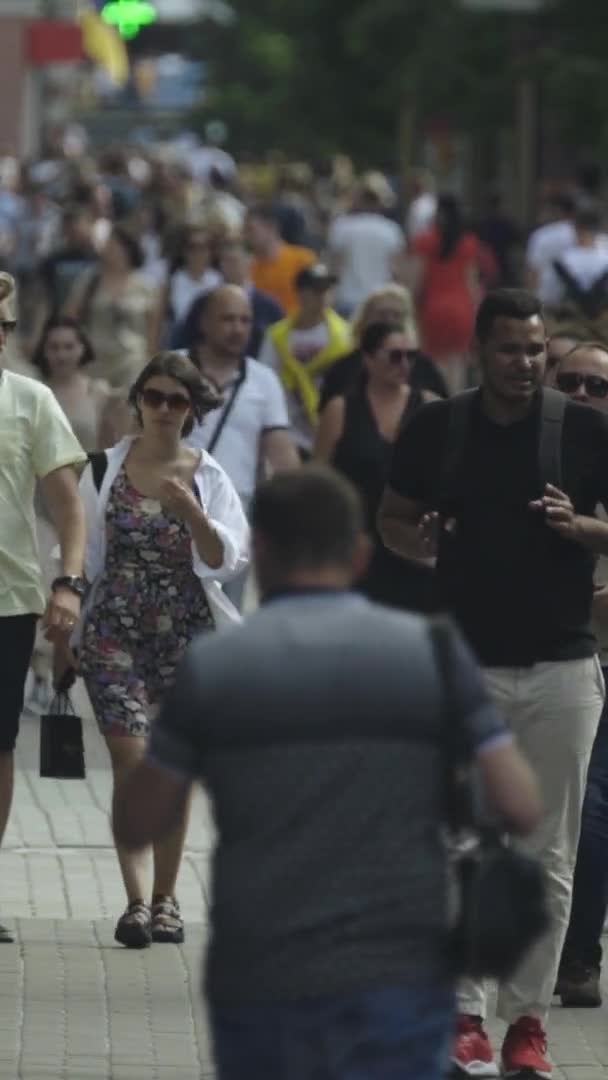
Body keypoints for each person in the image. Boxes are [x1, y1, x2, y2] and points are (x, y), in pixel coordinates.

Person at [114, 466, 541, 1080]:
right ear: (361, 554)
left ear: (259, 552)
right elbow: (521, 805)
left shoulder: (217, 664)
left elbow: (139, 821)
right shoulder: (435, 651)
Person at [378, 288, 608, 1078]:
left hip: (562, 668)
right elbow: (393, 516)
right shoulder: (441, 427)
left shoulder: (584, 430)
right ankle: (465, 1015)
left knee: (548, 853)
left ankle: (528, 1025)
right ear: (481, 350)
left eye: (538, 349)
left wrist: (583, 528)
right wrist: (425, 546)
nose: (527, 363)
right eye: (511, 349)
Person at [68, 351, 249, 950]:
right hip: (113, 627)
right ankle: (136, 901)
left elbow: (228, 560)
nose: (164, 409)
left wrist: (192, 513)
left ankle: (169, 899)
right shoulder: (104, 469)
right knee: (132, 760)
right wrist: (66, 620)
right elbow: (84, 557)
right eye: (154, 397)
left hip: (186, 632)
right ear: (138, 402)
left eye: (177, 400)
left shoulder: (208, 476)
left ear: (191, 409)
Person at [0, 272, 87, 944]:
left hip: (8, 598)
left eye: (3, 329)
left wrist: (68, 584)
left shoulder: (29, 402)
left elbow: (67, 508)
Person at [554, 341, 608, 1007]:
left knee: (591, 811)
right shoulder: (524, 459)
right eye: (569, 381)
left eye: (597, 385)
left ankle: (577, 954)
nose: (583, 394)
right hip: (535, 660)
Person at [315, 321, 438, 609]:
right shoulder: (340, 410)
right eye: (395, 355)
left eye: (411, 355)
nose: (404, 364)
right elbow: (318, 481)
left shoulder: (431, 407)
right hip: (356, 547)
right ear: (368, 358)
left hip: (413, 546)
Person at [258, 263, 352, 455]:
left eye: (327, 289)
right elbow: (265, 379)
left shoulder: (345, 335)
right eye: (316, 290)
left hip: (331, 430)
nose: (323, 295)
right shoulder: (277, 336)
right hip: (288, 429)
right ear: (300, 293)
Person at [320, 282, 448, 408]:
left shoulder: (424, 368)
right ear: (365, 319)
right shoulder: (343, 369)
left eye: (396, 315)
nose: (389, 321)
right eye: (382, 314)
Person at [64, 225, 162, 389]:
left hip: (131, 363)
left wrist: (152, 367)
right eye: (109, 244)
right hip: (94, 361)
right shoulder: (89, 281)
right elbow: (69, 318)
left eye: (117, 246)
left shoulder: (147, 287)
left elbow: (152, 334)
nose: (111, 250)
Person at [405, 194, 484, 395]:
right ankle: (455, 411)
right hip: (461, 309)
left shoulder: (424, 241)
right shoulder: (468, 242)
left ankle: (437, 408)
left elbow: (415, 284)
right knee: (457, 366)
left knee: (434, 365)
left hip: (433, 309)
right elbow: (472, 286)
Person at [327, 173, 404, 315]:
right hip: (379, 302)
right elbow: (396, 272)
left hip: (347, 300)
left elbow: (335, 269)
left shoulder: (341, 227)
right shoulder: (391, 230)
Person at [217, 239, 283, 357]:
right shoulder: (206, 303)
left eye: (234, 261)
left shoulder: (269, 307)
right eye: (224, 261)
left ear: (250, 262)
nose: (228, 266)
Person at [245, 204, 315, 313]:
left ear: (271, 227)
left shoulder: (302, 259)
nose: (247, 236)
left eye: (251, 229)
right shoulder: (249, 267)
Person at [162, 223, 222, 346]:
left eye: (203, 247)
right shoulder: (172, 282)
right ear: (184, 251)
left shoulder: (219, 281)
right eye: (192, 247)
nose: (197, 253)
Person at [525, 193, 577, 310]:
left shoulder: (541, 235)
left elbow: (533, 272)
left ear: (556, 211)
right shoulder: (586, 236)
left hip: (547, 298)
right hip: (577, 302)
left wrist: (530, 302)